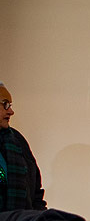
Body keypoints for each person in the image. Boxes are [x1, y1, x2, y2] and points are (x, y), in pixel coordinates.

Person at [0, 84, 47, 212]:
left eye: (10, 105)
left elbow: (36, 193)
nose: (11, 111)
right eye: (5, 104)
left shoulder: (17, 140)